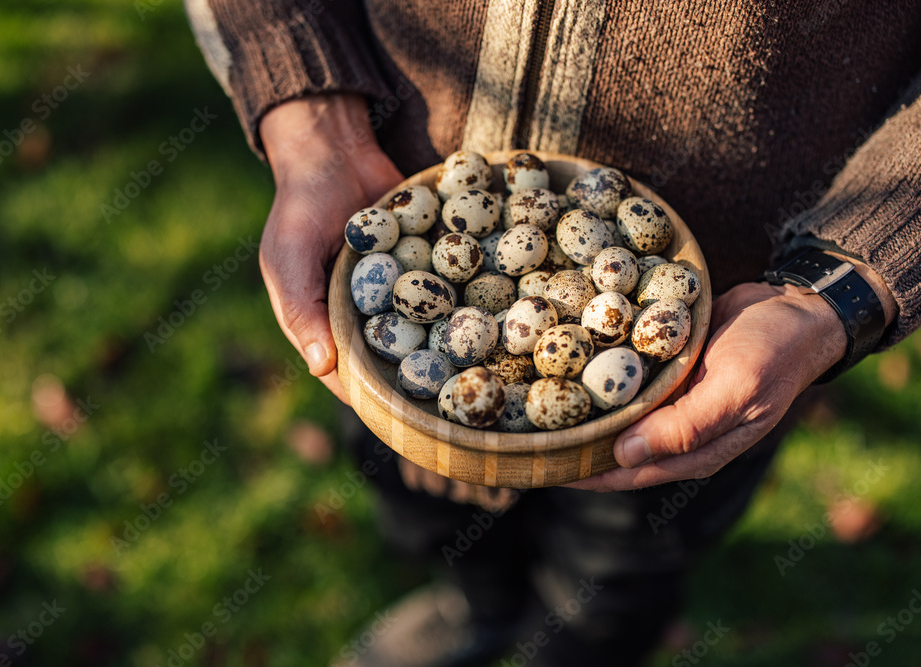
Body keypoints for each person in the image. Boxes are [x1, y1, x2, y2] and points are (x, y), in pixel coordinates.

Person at [184, 1, 920, 664]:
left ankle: (579, 647)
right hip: (392, 222)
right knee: (427, 506)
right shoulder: (439, 292)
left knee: (621, 567)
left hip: (718, 340)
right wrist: (310, 119)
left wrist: (844, 289)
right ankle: (480, 608)